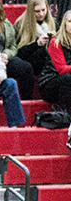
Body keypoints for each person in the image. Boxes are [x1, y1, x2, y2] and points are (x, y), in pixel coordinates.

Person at [41, 10, 71, 152]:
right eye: (69, 22)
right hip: (50, 83)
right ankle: (65, 113)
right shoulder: (56, 42)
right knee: (67, 77)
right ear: (64, 24)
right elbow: (62, 69)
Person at [14, 0, 57, 76]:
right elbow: (19, 53)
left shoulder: (53, 23)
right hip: (29, 62)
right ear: (30, 11)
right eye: (37, 11)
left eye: (43, 10)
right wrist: (37, 44)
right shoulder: (20, 24)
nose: (41, 14)